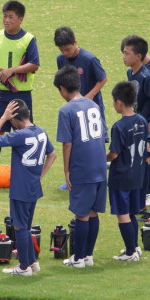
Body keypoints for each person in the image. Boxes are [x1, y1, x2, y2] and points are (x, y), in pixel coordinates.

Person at [0, 99, 56, 276]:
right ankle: (32, 262)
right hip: (33, 187)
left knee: (20, 227)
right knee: (26, 225)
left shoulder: (19, 135)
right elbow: (53, 154)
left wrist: (3, 118)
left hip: (20, 189)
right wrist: (39, 175)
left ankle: (24, 267)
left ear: (15, 119)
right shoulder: (41, 132)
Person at [0, 0, 40, 184]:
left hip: (21, 95)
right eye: (4, 16)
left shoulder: (29, 39)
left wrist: (12, 70)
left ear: (20, 19)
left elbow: (34, 64)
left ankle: (24, 171)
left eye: (10, 17)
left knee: (24, 132)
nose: (6, 20)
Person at [54, 66, 106, 268]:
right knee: (93, 212)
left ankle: (78, 258)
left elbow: (67, 143)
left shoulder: (66, 110)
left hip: (82, 168)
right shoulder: (93, 105)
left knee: (81, 214)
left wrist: (66, 170)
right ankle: (88, 256)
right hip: (100, 166)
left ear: (62, 88)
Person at [55, 27, 108, 190]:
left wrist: (89, 96)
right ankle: (73, 178)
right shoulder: (61, 59)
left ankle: (101, 176)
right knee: (74, 142)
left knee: (96, 141)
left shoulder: (89, 59)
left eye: (68, 49)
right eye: (62, 50)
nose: (65, 53)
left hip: (92, 108)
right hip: (74, 109)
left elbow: (103, 78)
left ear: (75, 43)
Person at [121, 36, 150, 222]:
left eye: (127, 53)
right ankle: (142, 206)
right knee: (143, 164)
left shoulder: (147, 76)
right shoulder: (131, 74)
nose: (123, 57)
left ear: (138, 56)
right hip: (141, 126)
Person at [106, 81, 149, 261]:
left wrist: (102, 159)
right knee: (131, 213)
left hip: (121, 178)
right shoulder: (142, 120)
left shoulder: (119, 126)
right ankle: (135, 247)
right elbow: (146, 146)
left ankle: (131, 252)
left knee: (123, 214)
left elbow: (114, 154)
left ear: (118, 102)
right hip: (137, 176)